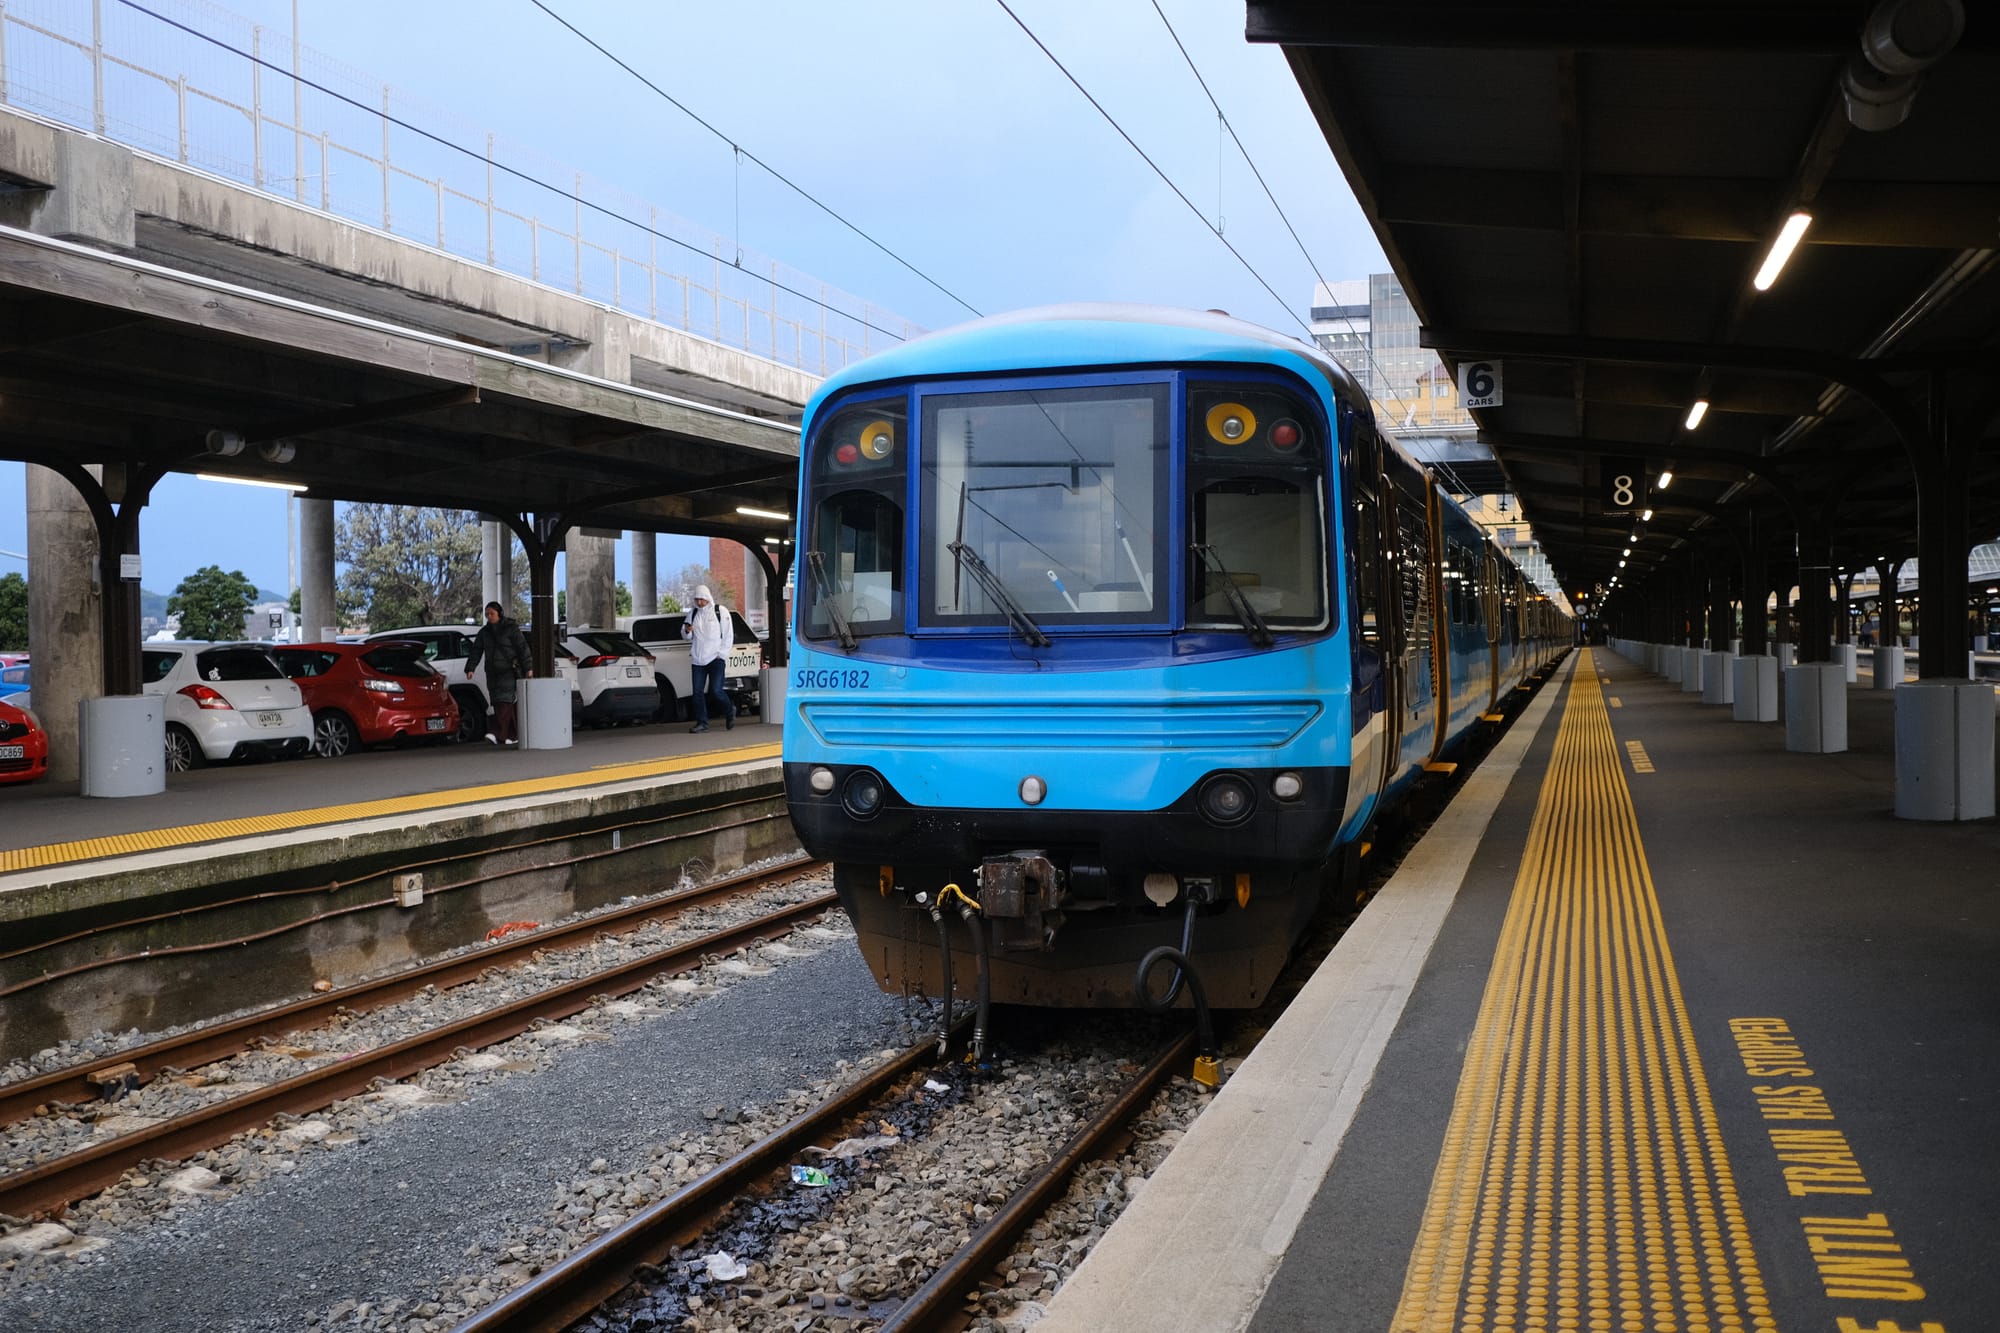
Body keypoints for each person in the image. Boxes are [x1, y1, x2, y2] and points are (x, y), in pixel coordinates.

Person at [464, 601, 532, 745]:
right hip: (492, 672)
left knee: (504, 701)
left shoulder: (511, 629)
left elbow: (522, 648)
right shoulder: (484, 633)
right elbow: (476, 650)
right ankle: (513, 735)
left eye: (492, 614)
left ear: (499, 614)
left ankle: (498, 733)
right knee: (498, 702)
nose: (489, 617)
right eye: (487, 614)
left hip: (509, 670)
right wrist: (470, 668)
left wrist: (528, 668)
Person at [681, 584, 734, 734]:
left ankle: (730, 710)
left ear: (707, 598)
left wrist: (722, 654)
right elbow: (686, 636)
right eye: (697, 599)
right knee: (697, 693)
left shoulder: (720, 611)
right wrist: (687, 630)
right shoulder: (692, 613)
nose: (699, 602)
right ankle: (702, 723)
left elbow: (728, 634)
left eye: (702, 599)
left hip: (716, 658)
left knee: (716, 691)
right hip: (698, 659)